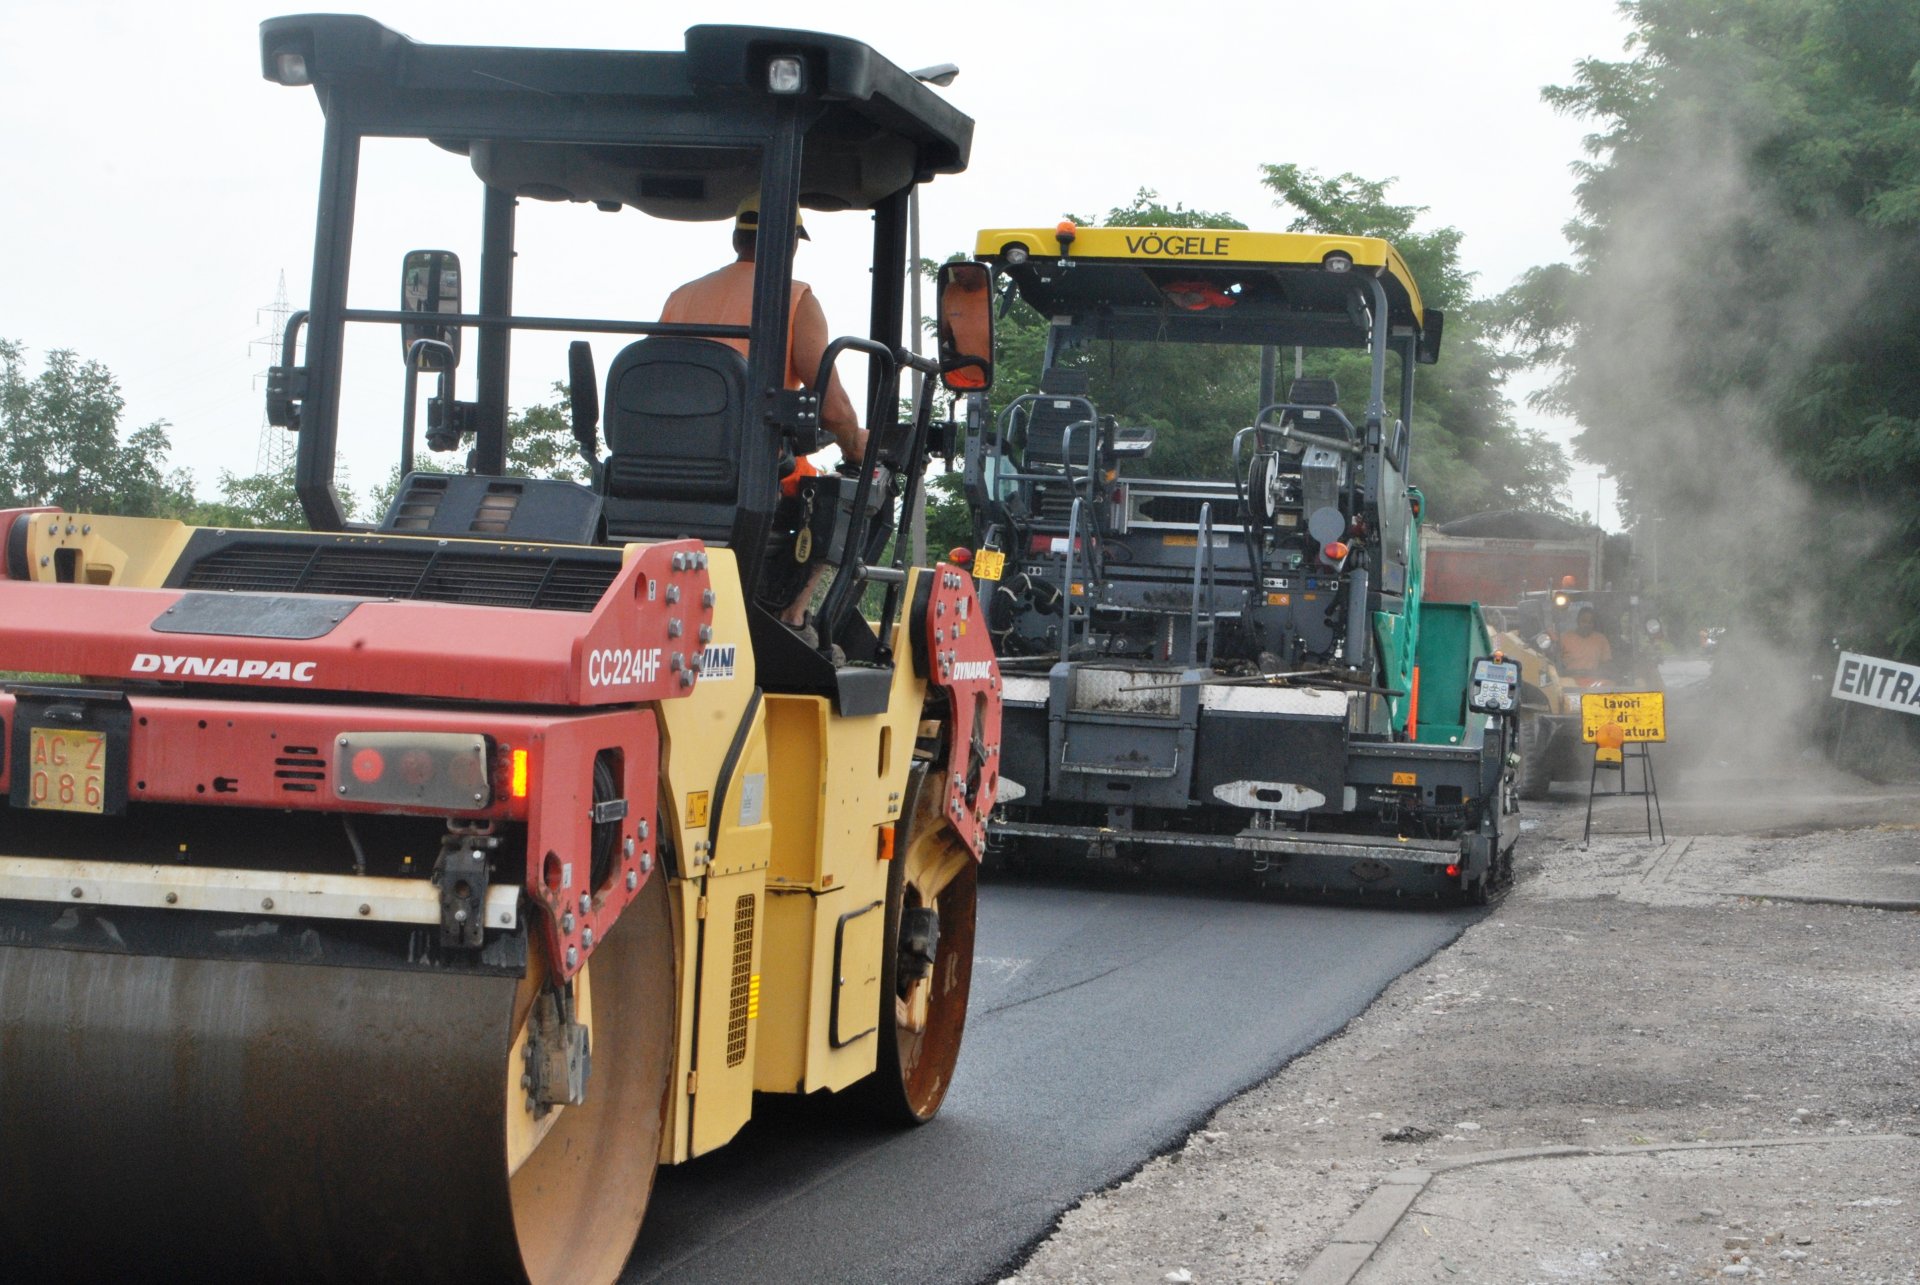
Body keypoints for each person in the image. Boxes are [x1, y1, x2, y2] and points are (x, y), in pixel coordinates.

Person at [661, 195, 866, 641]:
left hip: (667, 468)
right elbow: (832, 408)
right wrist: (856, 443)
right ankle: (791, 618)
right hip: (750, 471)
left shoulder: (681, 298)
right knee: (845, 489)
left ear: (737, 237)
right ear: (791, 245)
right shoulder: (795, 299)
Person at [1558, 605, 1614, 677]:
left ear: (1594, 624)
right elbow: (1556, 663)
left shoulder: (1601, 639)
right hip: (1569, 680)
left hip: (1594, 681)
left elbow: (1606, 663)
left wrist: (1602, 673)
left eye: (1590, 622)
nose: (1587, 625)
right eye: (1584, 621)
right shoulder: (1564, 638)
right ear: (1577, 621)